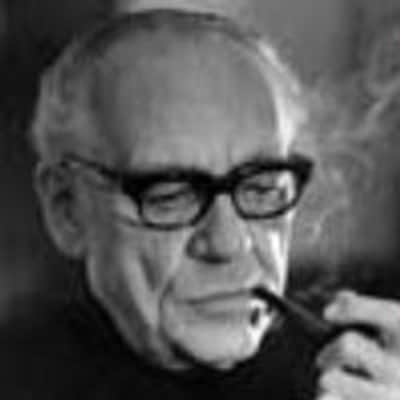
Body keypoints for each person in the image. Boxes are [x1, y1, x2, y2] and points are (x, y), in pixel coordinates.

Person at [3, 9, 400, 400]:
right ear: (67, 209)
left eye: (260, 187)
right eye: (171, 195)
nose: (228, 243)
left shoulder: (355, 370)